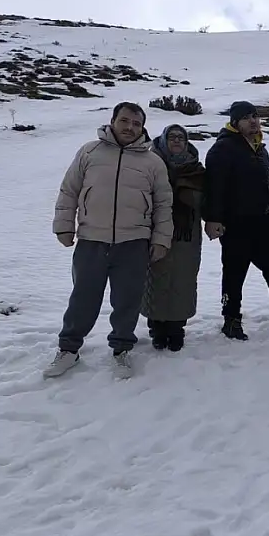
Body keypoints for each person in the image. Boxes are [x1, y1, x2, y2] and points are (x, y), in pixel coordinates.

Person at [46, 102, 173, 379]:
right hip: (92, 239)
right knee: (83, 297)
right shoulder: (89, 152)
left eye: (136, 124)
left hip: (134, 241)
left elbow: (164, 204)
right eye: (124, 121)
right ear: (113, 121)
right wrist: (64, 226)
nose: (130, 128)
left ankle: (121, 350)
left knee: (127, 299)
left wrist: (161, 239)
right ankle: (68, 349)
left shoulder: (152, 162)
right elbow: (69, 191)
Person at [202, 101, 269, 341]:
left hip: (262, 219)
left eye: (256, 116)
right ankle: (231, 319)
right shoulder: (222, 149)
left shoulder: (259, 147)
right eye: (247, 118)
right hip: (235, 223)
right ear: (235, 122)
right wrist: (213, 219)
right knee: (234, 274)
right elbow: (213, 188)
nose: (254, 121)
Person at [142, 124, 205, 352]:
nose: (177, 140)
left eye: (181, 137)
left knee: (183, 280)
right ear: (163, 140)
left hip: (187, 235)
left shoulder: (196, 170)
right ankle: (157, 328)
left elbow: (208, 201)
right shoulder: (150, 165)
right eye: (172, 137)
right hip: (155, 231)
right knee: (156, 278)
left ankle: (177, 328)